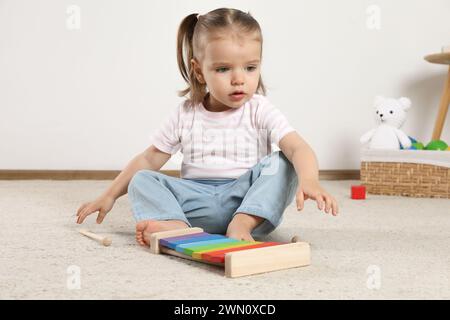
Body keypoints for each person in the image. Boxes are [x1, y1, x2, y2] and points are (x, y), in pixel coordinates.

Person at [76, 8, 339, 246]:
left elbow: (298, 148)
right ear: (199, 71)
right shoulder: (186, 113)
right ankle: (177, 227)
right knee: (142, 179)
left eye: (250, 68)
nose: (239, 79)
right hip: (194, 201)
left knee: (283, 162)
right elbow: (149, 158)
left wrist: (310, 180)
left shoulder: (259, 109)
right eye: (224, 69)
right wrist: (109, 195)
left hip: (246, 201)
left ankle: (241, 226)